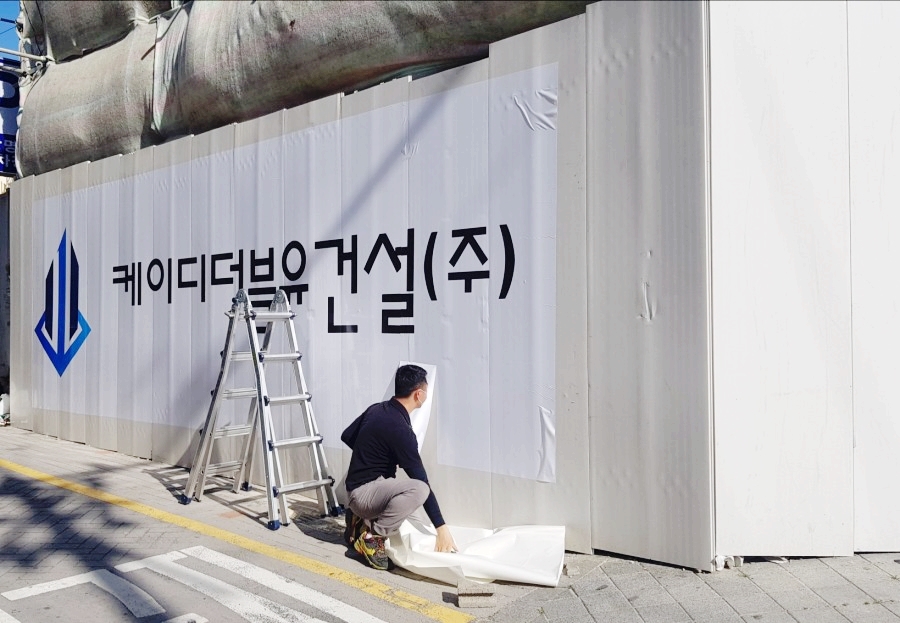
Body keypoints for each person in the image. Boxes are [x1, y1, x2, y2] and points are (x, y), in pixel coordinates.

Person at [341, 364, 456, 570]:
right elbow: (421, 482)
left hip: (356, 489)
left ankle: (359, 519)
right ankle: (372, 537)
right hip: (363, 495)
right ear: (418, 394)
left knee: (404, 498)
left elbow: (347, 436)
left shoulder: (377, 409)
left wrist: (373, 457)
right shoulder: (401, 430)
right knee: (419, 490)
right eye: (426, 391)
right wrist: (441, 527)